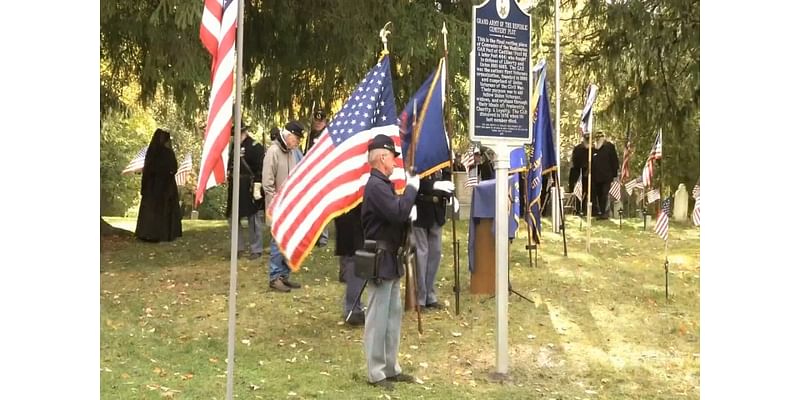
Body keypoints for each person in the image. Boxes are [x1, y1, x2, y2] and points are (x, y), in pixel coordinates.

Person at [361, 134, 419, 390]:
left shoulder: (382, 184)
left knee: (392, 316)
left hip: (391, 258)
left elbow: (397, 213)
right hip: (380, 258)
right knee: (378, 318)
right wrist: (412, 190)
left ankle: (390, 366)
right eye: (392, 156)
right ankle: (375, 372)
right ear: (382, 157)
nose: (395, 161)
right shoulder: (375, 185)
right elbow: (396, 212)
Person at [263, 121, 305, 292]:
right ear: (288, 136)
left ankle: (284, 276)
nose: (297, 143)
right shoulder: (273, 152)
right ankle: (274, 278)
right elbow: (267, 183)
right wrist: (276, 204)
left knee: (287, 242)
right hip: (277, 207)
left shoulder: (292, 152)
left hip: (290, 206)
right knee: (276, 243)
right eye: (296, 139)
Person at [412, 169, 455, 310]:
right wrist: (435, 185)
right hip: (420, 210)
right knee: (421, 255)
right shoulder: (416, 155)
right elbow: (413, 182)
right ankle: (420, 297)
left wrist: (450, 195)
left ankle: (430, 294)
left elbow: (448, 175)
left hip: (437, 211)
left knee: (435, 253)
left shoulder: (440, 154)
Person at [135, 128, 183, 242]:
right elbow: (173, 168)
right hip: (166, 187)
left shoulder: (151, 153)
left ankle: (147, 233)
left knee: (151, 210)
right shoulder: (167, 153)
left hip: (152, 188)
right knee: (164, 209)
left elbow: (147, 170)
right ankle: (164, 233)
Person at [225, 125, 265, 259]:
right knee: (233, 217)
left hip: (248, 186)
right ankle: (237, 247)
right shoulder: (234, 146)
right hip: (235, 185)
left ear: (244, 132)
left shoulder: (255, 146)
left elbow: (260, 168)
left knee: (253, 219)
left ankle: (256, 249)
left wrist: (258, 186)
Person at [334, 204, 366, 326]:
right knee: (354, 262)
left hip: (347, 217)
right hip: (353, 222)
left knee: (351, 260)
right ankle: (353, 309)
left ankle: (353, 306)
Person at [590, 130, 619, 219]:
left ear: (603, 137)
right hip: (596, 177)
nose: (598, 138)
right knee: (598, 195)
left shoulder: (609, 147)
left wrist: (614, 175)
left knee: (604, 194)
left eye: (600, 136)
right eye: (597, 137)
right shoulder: (593, 148)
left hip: (607, 177)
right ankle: (599, 212)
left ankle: (604, 213)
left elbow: (614, 161)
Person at [568, 132, 590, 215]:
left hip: (587, 174)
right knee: (578, 191)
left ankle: (583, 209)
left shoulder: (592, 149)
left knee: (586, 192)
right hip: (578, 173)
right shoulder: (578, 148)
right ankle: (577, 209)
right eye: (586, 139)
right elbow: (574, 162)